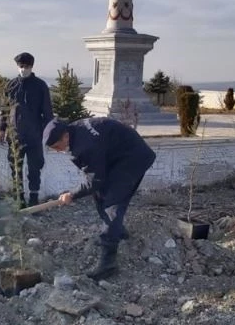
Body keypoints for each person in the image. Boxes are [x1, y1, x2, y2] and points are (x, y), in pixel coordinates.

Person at [43, 117, 156, 281]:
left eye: (56, 146)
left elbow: (93, 181)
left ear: (65, 136)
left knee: (113, 203)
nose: (57, 150)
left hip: (132, 158)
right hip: (116, 157)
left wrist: (72, 194)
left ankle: (108, 262)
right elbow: (95, 179)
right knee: (100, 194)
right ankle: (117, 231)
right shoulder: (74, 131)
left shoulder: (85, 146)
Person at [0, 52, 53, 208]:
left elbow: (47, 112)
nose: (24, 69)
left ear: (32, 67)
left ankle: (34, 198)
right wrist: (2, 130)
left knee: (35, 167)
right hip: (15, 136)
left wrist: (49, 133)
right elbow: (5, 110)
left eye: (27, 66)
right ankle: (19, 198)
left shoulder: (40, 86)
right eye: (21, 66)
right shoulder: (11, 85)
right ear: (17, 66)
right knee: (16, 167)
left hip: (35, 135)